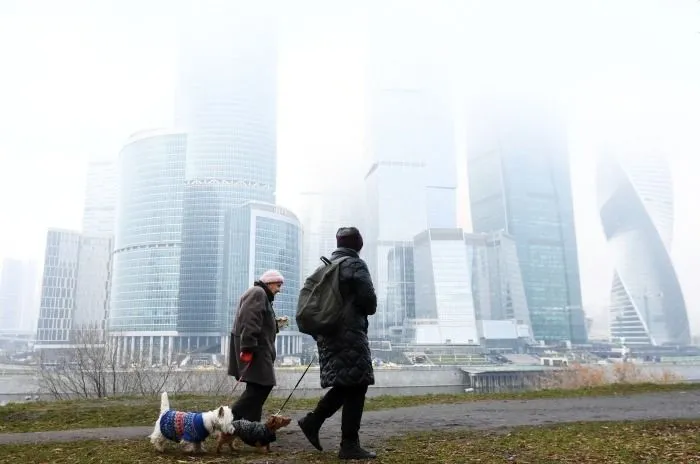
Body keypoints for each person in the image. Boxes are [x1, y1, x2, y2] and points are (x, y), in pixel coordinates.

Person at [297, 226, 378, 460]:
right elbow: (369, 302)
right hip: (349, 333)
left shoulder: (324, 267)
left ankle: (315, 423)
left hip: (328, 334)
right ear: (358, 245)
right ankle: (347, 443)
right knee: (357, 382)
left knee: (348, 383)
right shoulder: (355, 264)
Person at [228, 269, 289, 422]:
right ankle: (229, 421)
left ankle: (251, 429)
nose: (279, 289)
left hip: (257, 348)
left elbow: (258, 321)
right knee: (263, 385)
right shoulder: (258, 292)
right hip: (256, 349)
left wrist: (275, 324)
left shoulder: (262, 296)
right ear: (268, 283)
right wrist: (248, 347)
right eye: (277, 285)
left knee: (255, 387)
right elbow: (249, 319)